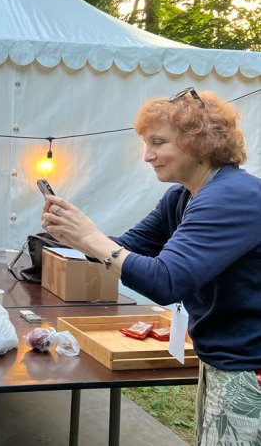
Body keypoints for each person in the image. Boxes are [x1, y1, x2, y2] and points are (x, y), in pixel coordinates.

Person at [40, 88, 261, 445]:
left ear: (199, 142)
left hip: (249, 366)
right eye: (146, 144)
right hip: (223, 359)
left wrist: (90, 237)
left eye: (158, 142)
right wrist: (75, 235)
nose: (147, 155)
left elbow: (166, 280)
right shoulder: (182, 196)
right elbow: (131, 246)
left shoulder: (233, 196)